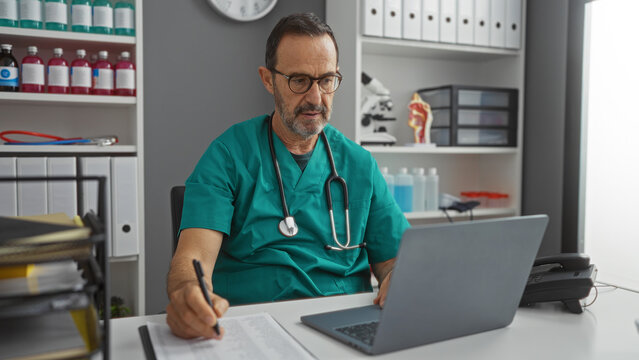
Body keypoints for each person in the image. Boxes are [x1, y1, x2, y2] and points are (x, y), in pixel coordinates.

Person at [166, 12, 410, 340]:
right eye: (299, 80)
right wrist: (188, 294)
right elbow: (192, 260)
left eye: (326, 80)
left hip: (343, 325)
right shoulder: (229, 155)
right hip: (252, 327)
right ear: (268, 79)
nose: (315, 97)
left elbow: (394, 261)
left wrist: (399, 278)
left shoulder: (359, 164)